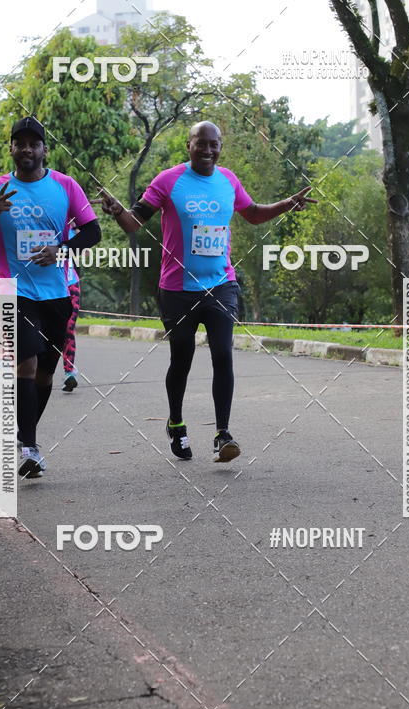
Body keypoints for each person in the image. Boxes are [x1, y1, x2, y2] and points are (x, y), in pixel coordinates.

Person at [95, 120, 316, 462]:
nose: (209, 150)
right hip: (177, 289)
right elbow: (134, 222)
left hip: (220, 284)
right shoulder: (169, 180)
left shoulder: (228, 180)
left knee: (223, 356)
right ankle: (177, 423)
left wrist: (287, 203)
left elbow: (253, 214)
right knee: (181, 360)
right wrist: (116, 212)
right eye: (202, 143)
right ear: (189, 144)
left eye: (215, 144)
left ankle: (222, 434)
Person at [0, 116, 101, 477]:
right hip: (11, 290)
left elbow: (93, 232)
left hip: (56, 292)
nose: (26, 149)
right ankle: (31, 448)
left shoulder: (65, 186)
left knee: (46, 375)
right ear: (12, 149)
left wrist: (61, 250)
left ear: (43, 150)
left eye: (33, 144)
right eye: (20, 143)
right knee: (27, 364)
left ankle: (25, 434)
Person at [61, 226, 80, 392]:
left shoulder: (72, 231)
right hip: (41, 287)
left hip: (70, 284)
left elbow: (84, 253)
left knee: (68, 328)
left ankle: (69, 372)